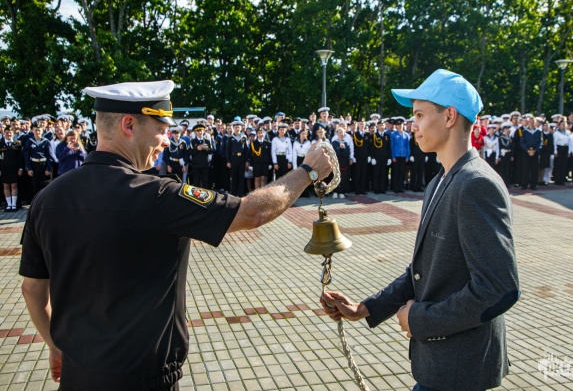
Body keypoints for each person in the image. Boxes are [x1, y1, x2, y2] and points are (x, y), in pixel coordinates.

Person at [19, 80, 332, 391]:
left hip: (76, 378)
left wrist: (55, 345)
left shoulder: (45, 200)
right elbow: (253, 213)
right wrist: (308, 171)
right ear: (129, 125)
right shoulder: (158, 196)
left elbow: (32, 290)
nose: (167, 141)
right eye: (160, 129)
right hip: (144, 381)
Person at [320, 69, 520, 391]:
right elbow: (423, 270)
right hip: (439, 366)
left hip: (460, 369)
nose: (413, 125)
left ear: (450, 116)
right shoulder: (440, 181)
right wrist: (365, 308)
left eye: (419, 115)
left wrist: (419, 319)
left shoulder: (476, 184)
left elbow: (498, 288)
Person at [0, 126, 24, 211]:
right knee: (6, 186)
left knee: (14, 185)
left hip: (14, 168)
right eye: (7, 132)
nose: (8, 134)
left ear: (13, 133)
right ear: (4, 133)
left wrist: (21, 168)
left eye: (10, 132)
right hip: (4, 168)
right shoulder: (0, 143)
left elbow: (21, 158)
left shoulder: (17, 143)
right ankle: (8, 205)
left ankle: (13, 205)